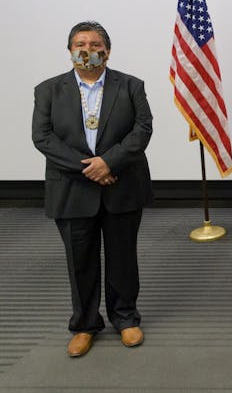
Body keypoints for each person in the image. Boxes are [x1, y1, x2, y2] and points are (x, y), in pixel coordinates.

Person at [32, 21, 154, 357]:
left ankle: (125, 317)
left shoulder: (131, 86)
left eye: (96, 43)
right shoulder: (48, 90)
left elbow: (142, 129)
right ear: (70, 50)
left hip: (122, 186)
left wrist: (109, 163)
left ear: (108, 51)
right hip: (71, 189)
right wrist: (91, 168)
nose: (88, 49)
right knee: (79, 261)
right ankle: (85, 324)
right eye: (80, 43)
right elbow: (43, 138)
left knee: (123, 257)